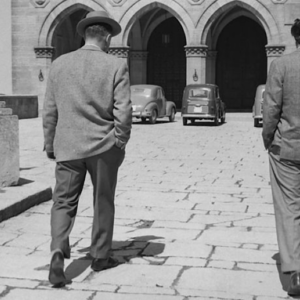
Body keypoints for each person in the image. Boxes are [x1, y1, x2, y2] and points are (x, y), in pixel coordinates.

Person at [43, 10, 132, 287]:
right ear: (105, 37)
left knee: (63, 202)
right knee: (103, 200)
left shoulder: (58, 64)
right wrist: (121, 139)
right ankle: (100, 256)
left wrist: (50, 143)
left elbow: (50, 110)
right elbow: (124, 110)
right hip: (103, 146)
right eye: (110, 39)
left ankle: (58, 249)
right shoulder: (115, 65)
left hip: (68, 146)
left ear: (84, 35)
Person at [262, 19, 300, 296]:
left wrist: (269, 140)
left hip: (288, 148)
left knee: (289, 209)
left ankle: (295, 270)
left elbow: (271, 109)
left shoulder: (282, 65)